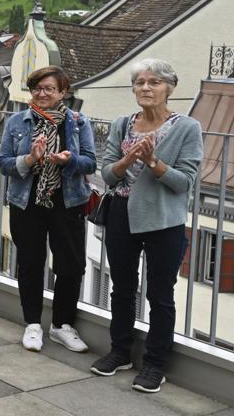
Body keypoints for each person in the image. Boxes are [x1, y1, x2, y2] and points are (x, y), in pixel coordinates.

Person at [91, 59, 203, 393]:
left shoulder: (187, 128)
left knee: (159, 294)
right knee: (122, 287)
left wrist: (152, 161)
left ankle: (155, 365)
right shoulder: (123, 124)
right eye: (139, 82)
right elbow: (108, 174)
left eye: (154, 82)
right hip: (122, 214)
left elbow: (184, 182)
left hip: (163, 220)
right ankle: (120, 352)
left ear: (170, 88)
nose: (145, 88)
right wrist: (127, 160)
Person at [0, 66, 96, 354]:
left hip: (67, 201)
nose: (42, 94)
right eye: (38, 88)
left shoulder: (78, 122)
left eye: (49, 88)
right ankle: (32, 324)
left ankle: (62, 325)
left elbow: (90, 162)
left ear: (62, 92)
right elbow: (3, 163)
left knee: (71, 264)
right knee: (30, 262)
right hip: (27, 201)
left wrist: (69, 160)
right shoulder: (18, 121)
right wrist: (29, 159)